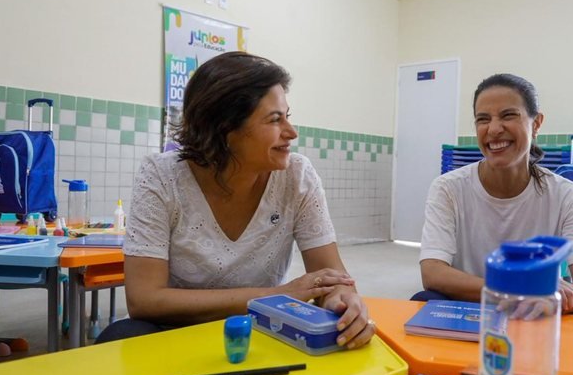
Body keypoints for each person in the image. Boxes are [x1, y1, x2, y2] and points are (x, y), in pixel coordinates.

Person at [96, 52, 375, 347]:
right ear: (225, 129)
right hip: (175, 329)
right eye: (274, 120)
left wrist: (343, 301)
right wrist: (278, 295)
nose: (291, 132)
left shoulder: (297, 176)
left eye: (287, 117)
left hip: (259, 327)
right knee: (121, 337)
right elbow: (144, 300)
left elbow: (331, 278)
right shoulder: (162, 176)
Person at [416, 73, 573, 317]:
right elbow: (433, 272)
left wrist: (561, 296)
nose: (494, 129)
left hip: (538, 311)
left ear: (536, 123)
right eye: (483, 119)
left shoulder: (566, 195)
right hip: (472, 304)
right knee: (423, 301)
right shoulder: (448, 188)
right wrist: (514, 291)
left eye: (508, 115)